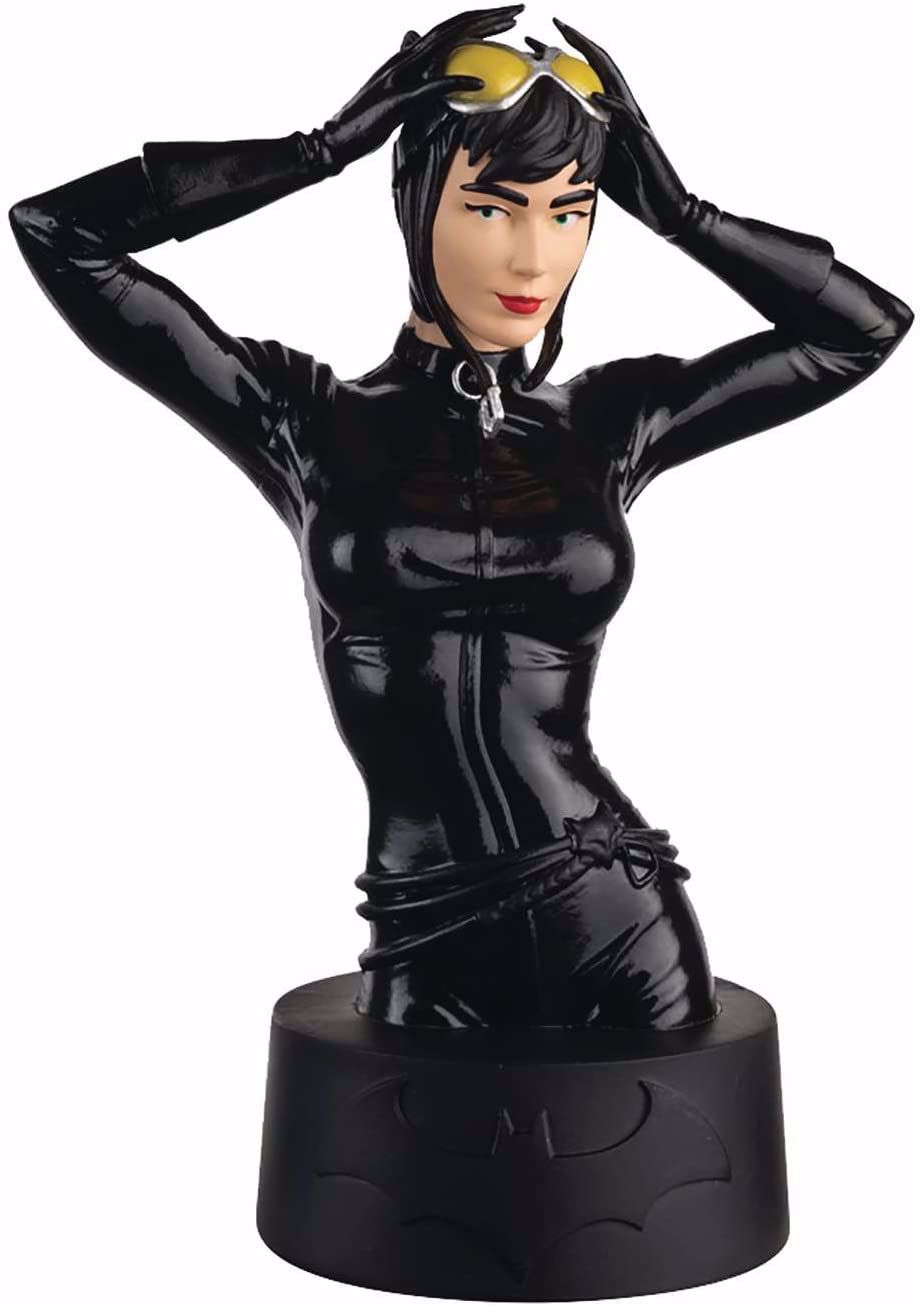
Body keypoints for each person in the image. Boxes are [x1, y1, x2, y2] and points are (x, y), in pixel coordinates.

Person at [9, 6, 913, 1031]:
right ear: (416, 201)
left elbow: (862, 329)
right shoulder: (305, 416)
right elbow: (61, 234)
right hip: (423, 924)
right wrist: (319, 150)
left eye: (569, 212)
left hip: (620, 918)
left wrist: (680, 212)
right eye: (492, 208)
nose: (534, 259)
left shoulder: (608, 421)